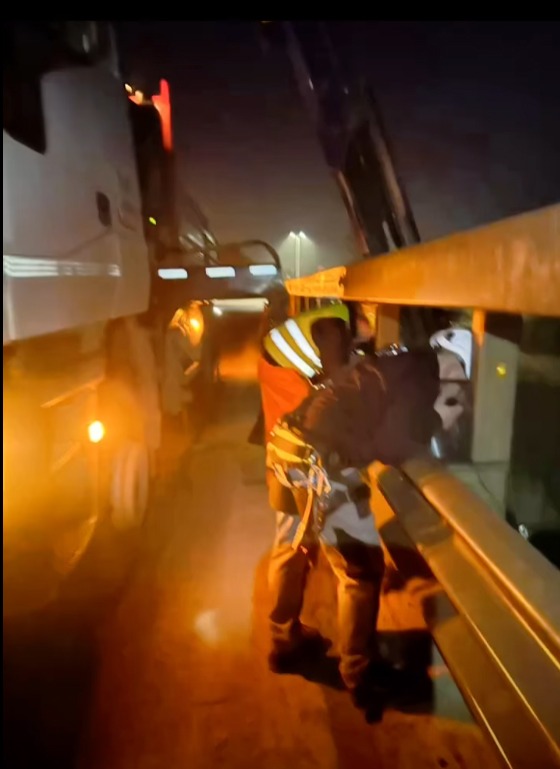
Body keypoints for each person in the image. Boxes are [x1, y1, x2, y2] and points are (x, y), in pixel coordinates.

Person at [258, 302, 388, 706]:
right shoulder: (334, 326)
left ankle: (283, 640)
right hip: (316, 461)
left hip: (285, 448)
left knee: (289, 549)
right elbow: (336, 384)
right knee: (359, 570)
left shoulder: (307, 328)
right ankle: (358, 672)